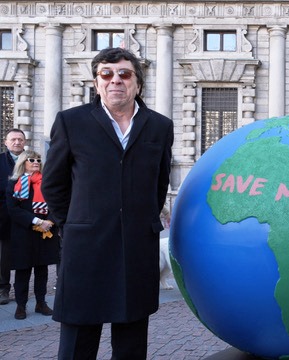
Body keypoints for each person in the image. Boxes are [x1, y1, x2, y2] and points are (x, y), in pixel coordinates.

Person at [42, 47, 173, 359]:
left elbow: (159, 184)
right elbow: (53, 184)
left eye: (125, 74)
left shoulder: (160, 126)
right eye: (107, 74)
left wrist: (139, 220)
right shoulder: (71, 122)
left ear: (137, 83)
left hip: (136, 250)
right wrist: (74, 223)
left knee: (130, 345)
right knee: (77, 345)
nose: (116, 80)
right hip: (86, 248)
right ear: (96, 82)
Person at [6, 150, 58, 319]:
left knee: (42, 270)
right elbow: (13, 209)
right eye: (32, 159)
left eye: (38, 159)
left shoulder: (47, 182)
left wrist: (49, 221)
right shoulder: (15, 182)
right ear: (23, 162)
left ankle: (41, 303)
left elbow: (56, 203)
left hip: (45, 232)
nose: (36, 161)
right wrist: (36, 222)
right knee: (23, 270)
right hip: (24, 232)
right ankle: (21, 305)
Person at [0, 129, 26, 305]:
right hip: (4, 214)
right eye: (13, 139)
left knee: (26, 252)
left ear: (24, 142)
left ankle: (22, 290)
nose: (17, 142)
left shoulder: (33, 159)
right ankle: (3, 288)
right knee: (4, 254)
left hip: (26, 213)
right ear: (6, 142)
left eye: (20, 139)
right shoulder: (1, 160)